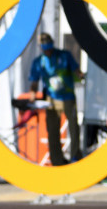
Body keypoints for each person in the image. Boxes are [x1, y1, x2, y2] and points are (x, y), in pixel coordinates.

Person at [28, 33, 84, 166]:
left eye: (49, 48)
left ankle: (75, 155)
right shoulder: (39, 61)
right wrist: (32, 93)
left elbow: (77, 71)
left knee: (73, 127)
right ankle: (57, 160)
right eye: (45, 49)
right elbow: (34, 81)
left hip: (68, 97)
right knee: (52, 130)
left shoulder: (65, 55)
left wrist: (81, 76)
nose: (47, 51)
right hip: (51, 99)